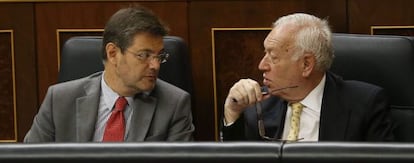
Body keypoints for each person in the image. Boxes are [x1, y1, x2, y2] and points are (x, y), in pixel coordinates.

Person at [24, 6, 194, 142]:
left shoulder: (174, 104)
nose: (155, 65)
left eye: (159, 56)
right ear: (113, 53)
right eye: (144, 55)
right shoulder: (59, 100)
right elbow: (29, 159)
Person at [221, 13, 394, 141]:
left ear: (306, 65)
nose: (261, 65)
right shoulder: (257, 105)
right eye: (265, 53)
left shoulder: (364, 105)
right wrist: (232, 111)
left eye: (273, 57)